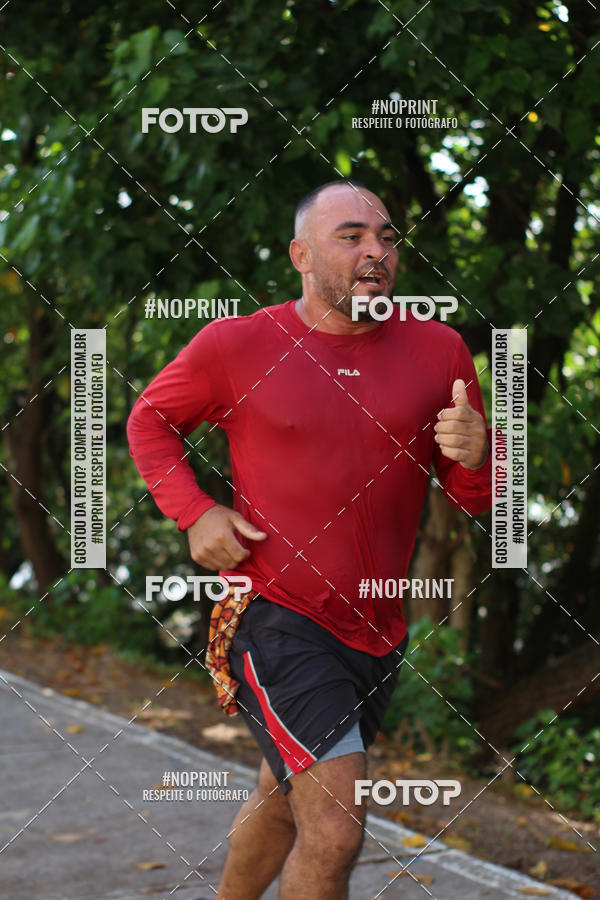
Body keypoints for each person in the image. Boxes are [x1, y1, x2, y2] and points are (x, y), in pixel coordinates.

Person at [127, 179, 492, 900]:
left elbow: (472, 494)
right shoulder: (236, 345)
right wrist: (194, 512)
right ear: (301, 256)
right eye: (350, 237)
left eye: (386, 237)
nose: (375, 252)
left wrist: (484, 455)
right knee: (335, 829)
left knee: (280, 796)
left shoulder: (440, 350)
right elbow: (150, 421)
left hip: (378, 629)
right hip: (275, 615)